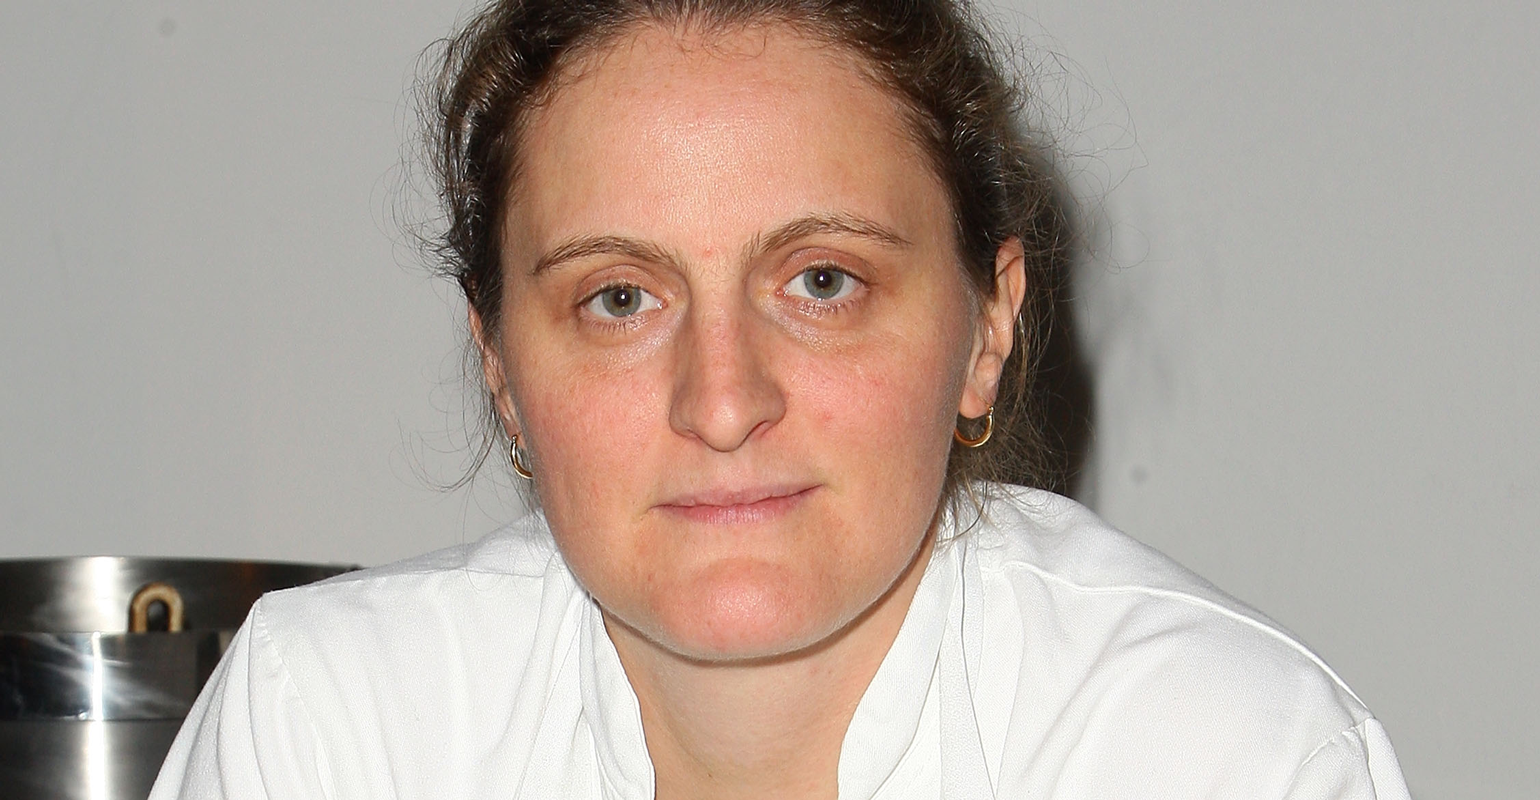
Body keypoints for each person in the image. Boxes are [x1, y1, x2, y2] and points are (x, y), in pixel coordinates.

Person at [151, 1, 1411, 798]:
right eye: (618, 298)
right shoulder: (328, 731)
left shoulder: (1219, 751)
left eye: (821, 281)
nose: (721, 401)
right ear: (501, 369)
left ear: (988, 322)